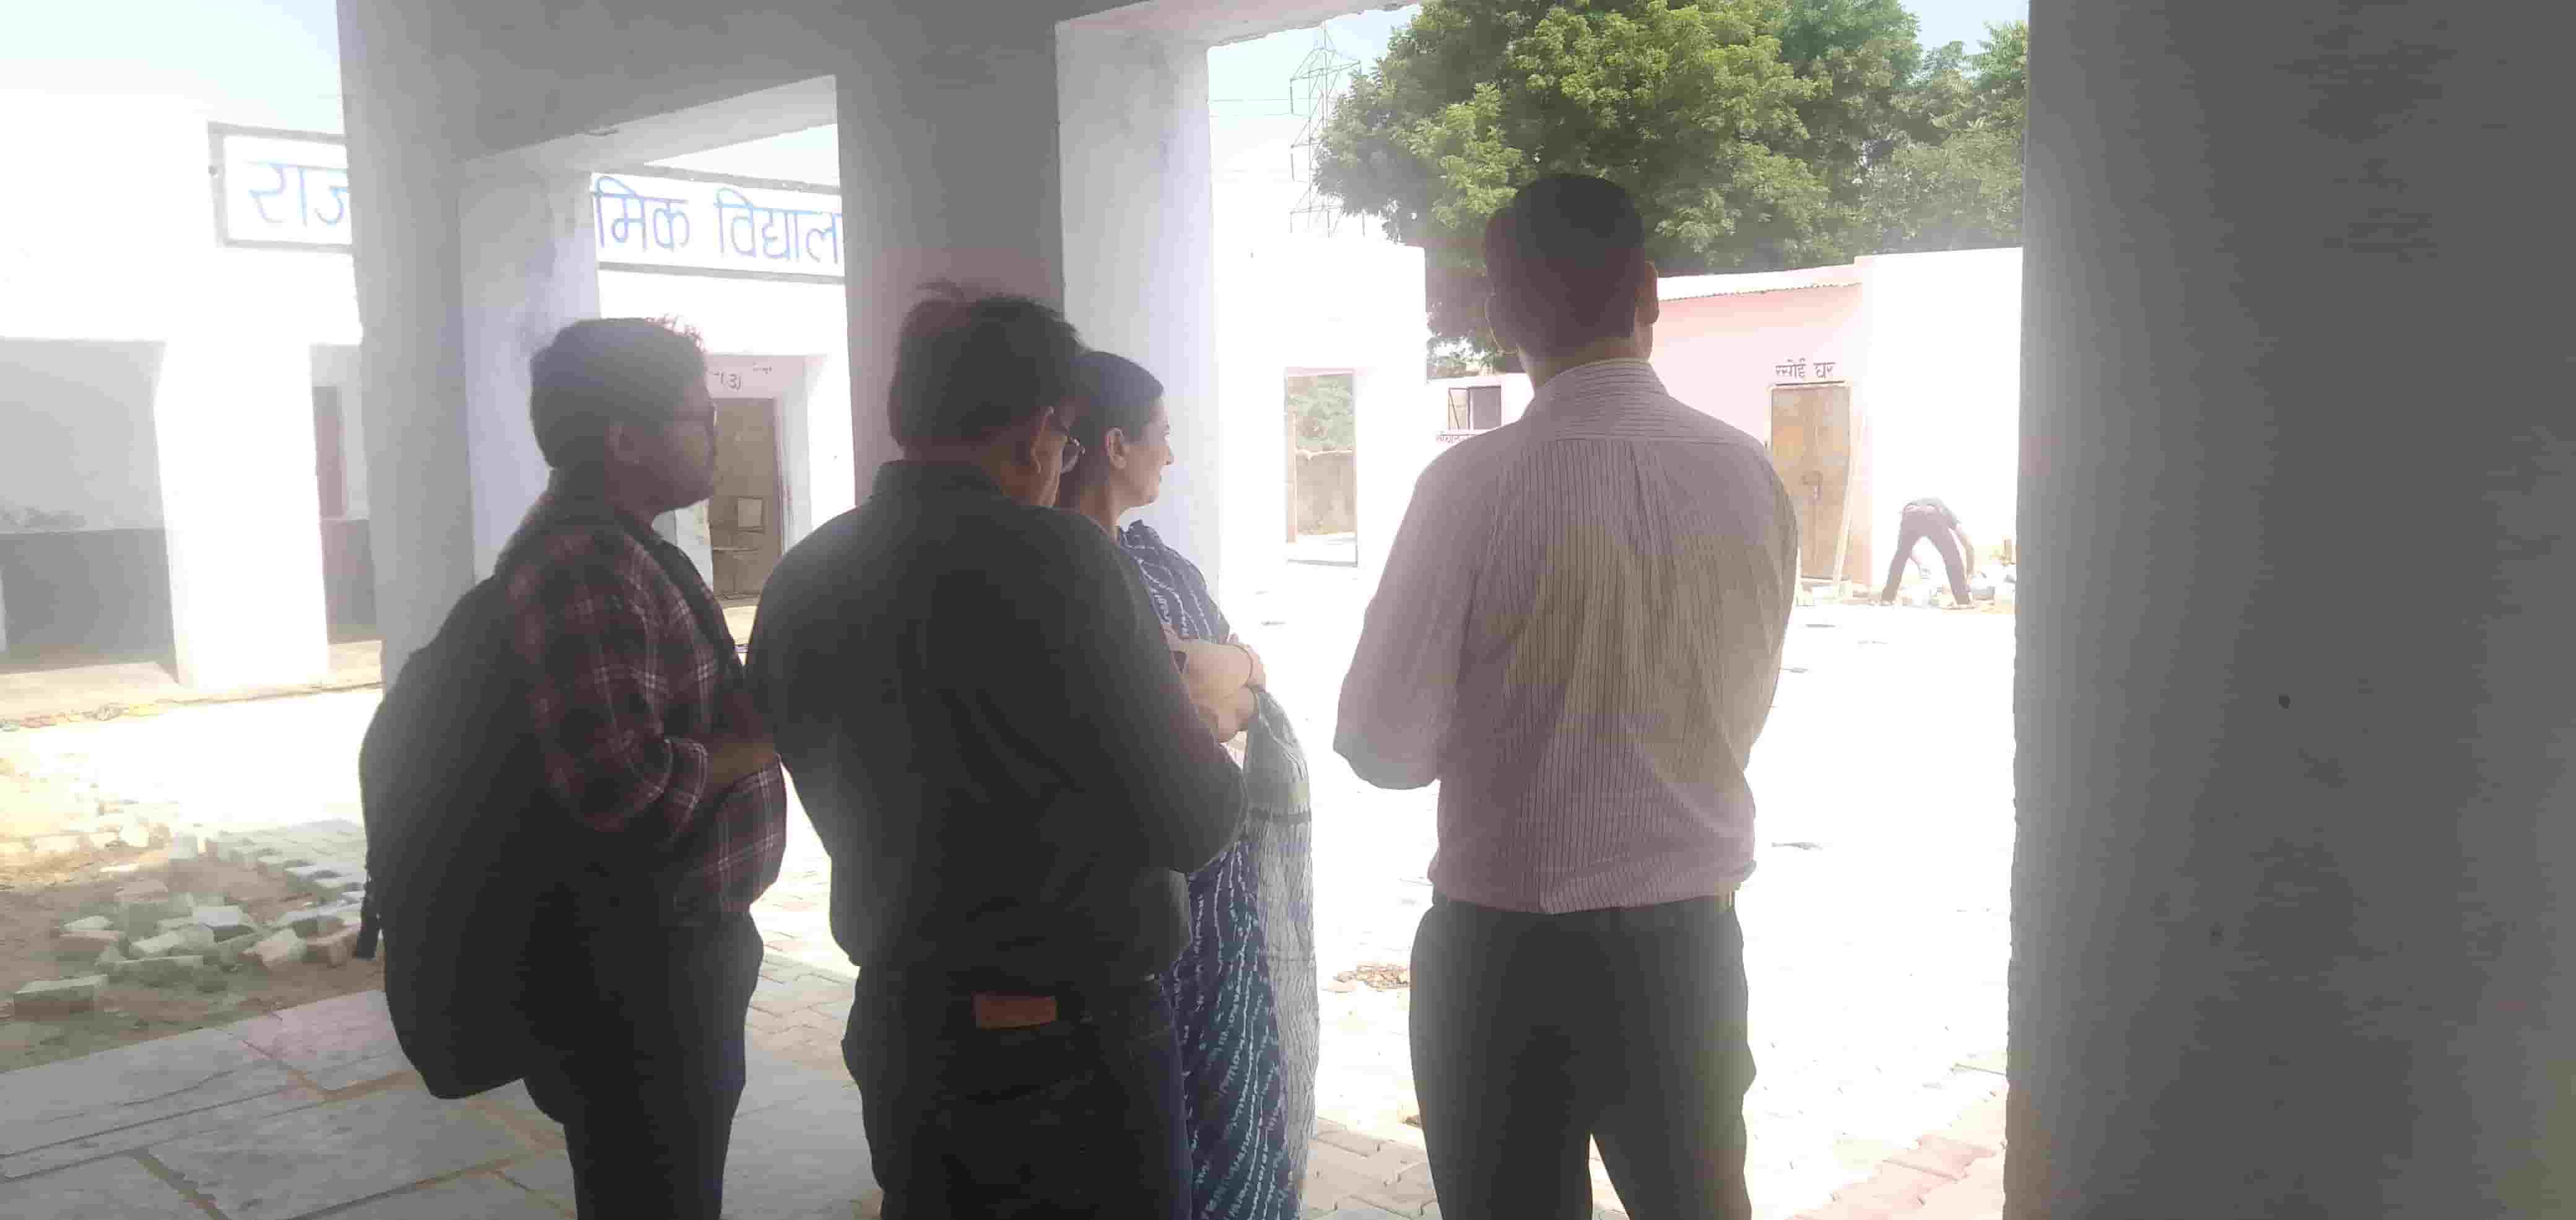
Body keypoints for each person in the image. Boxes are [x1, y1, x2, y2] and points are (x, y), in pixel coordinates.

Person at [1334, 175, 1798, 1220]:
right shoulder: (1750, 476)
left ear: (1501, 315)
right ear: (1650, 291)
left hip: (1507, 957)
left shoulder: (1468, 488)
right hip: (1686, 947)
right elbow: (1744, 702)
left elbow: (1383, 749)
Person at [746, 285, 1245, 1220]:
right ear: (1040, 431)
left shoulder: (803, 575)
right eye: (1065, 441)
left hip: (905, 1035)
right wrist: (1211, 714)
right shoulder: (1065, 560)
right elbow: (1195, 821)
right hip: (1068, 1055)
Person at [505, 317, 788, 1219]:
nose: (716, 434)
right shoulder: (588, 564)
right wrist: (760, 738)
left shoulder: (623, 547)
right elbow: (621, 790)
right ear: (625, 440)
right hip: (640, 973)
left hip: (669, 952)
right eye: (699, 417)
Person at [1053, 349, 1320, 1220]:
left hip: (1214, 900)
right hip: (1143, 901)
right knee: (1156, 1130)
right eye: (1160, 436)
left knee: (1226, 1089)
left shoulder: (1153, 558)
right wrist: (1226, 684)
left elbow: (1239, 671)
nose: (1170, 455)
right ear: (1115, 445)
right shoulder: (1076, 573)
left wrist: (1229, 673)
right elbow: (1196, 699)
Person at [1878, 497, 1978, 607]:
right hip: (1931, 514)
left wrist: (1919, 563)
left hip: (1909, 512)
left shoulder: (1916, 510)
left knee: (1900, 556)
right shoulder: (1949, 515)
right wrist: (1970, 571)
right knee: (1952, 557)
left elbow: (1905, 550)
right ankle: (1963, 601)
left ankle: (1887, 599)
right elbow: (1968, 545)